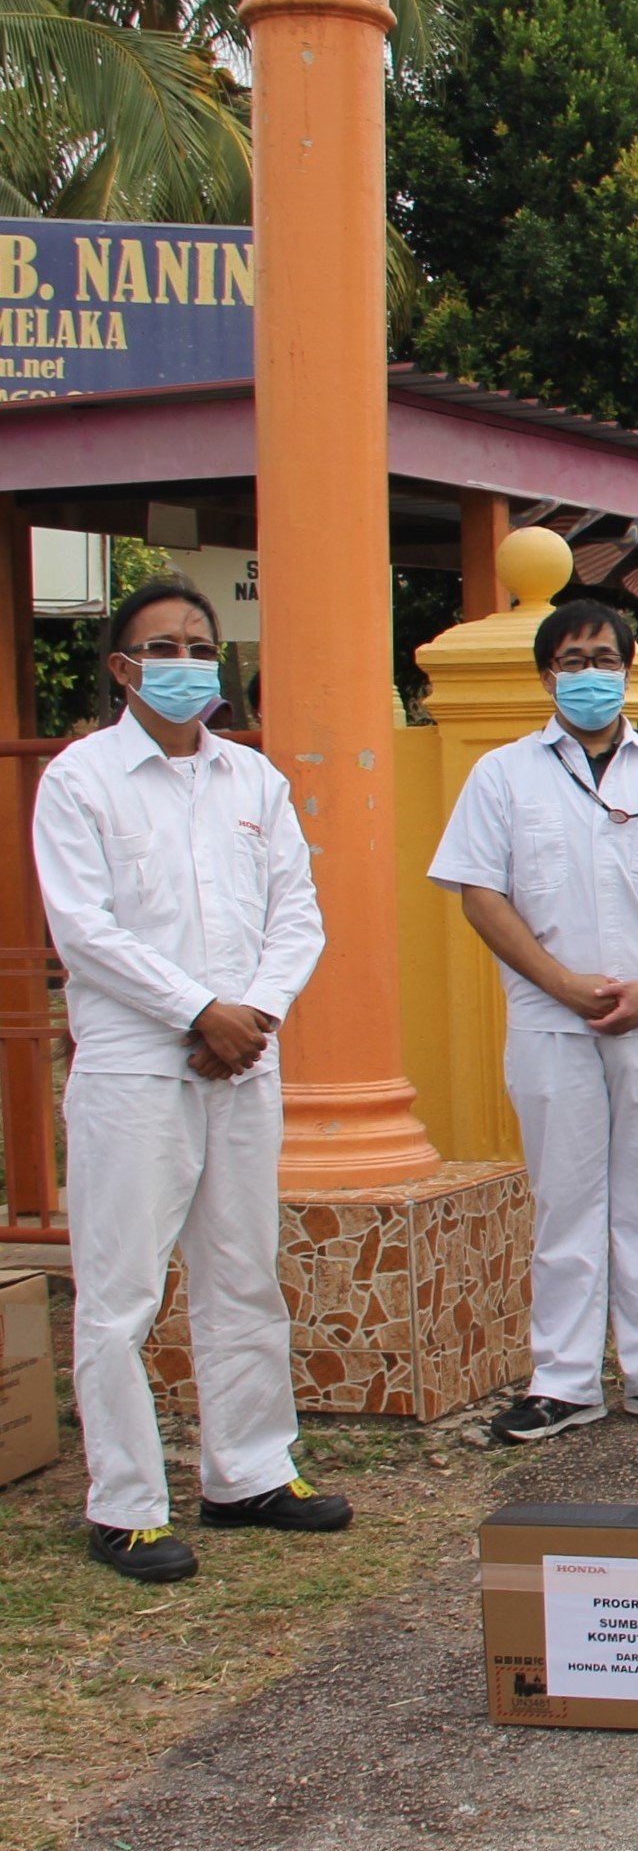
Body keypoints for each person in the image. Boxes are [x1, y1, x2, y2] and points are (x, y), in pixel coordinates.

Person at [34, 578, 344, 1583]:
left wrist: (251, 1011)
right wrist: (195, 1011)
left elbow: (297, 913)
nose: (186, 662)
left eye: (199, 644)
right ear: (123, 668)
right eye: (162, 646)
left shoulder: (252, 782)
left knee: (242, 1273)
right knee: (121, 1292)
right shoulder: (81, 780)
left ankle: (247, 1471)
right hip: (137, 1068)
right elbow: (85, 930)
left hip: (245, 1057)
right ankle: (125, 1503)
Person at [429, 599, 638, 1445]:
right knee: (565, 1198)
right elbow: (479, 895)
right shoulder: (504, 775)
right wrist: (563, 983)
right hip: (549, 1020)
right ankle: (562, 1381)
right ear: (547, 674)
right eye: (574, 659)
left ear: (629, 670)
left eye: (606, 658)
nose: (591, 673)